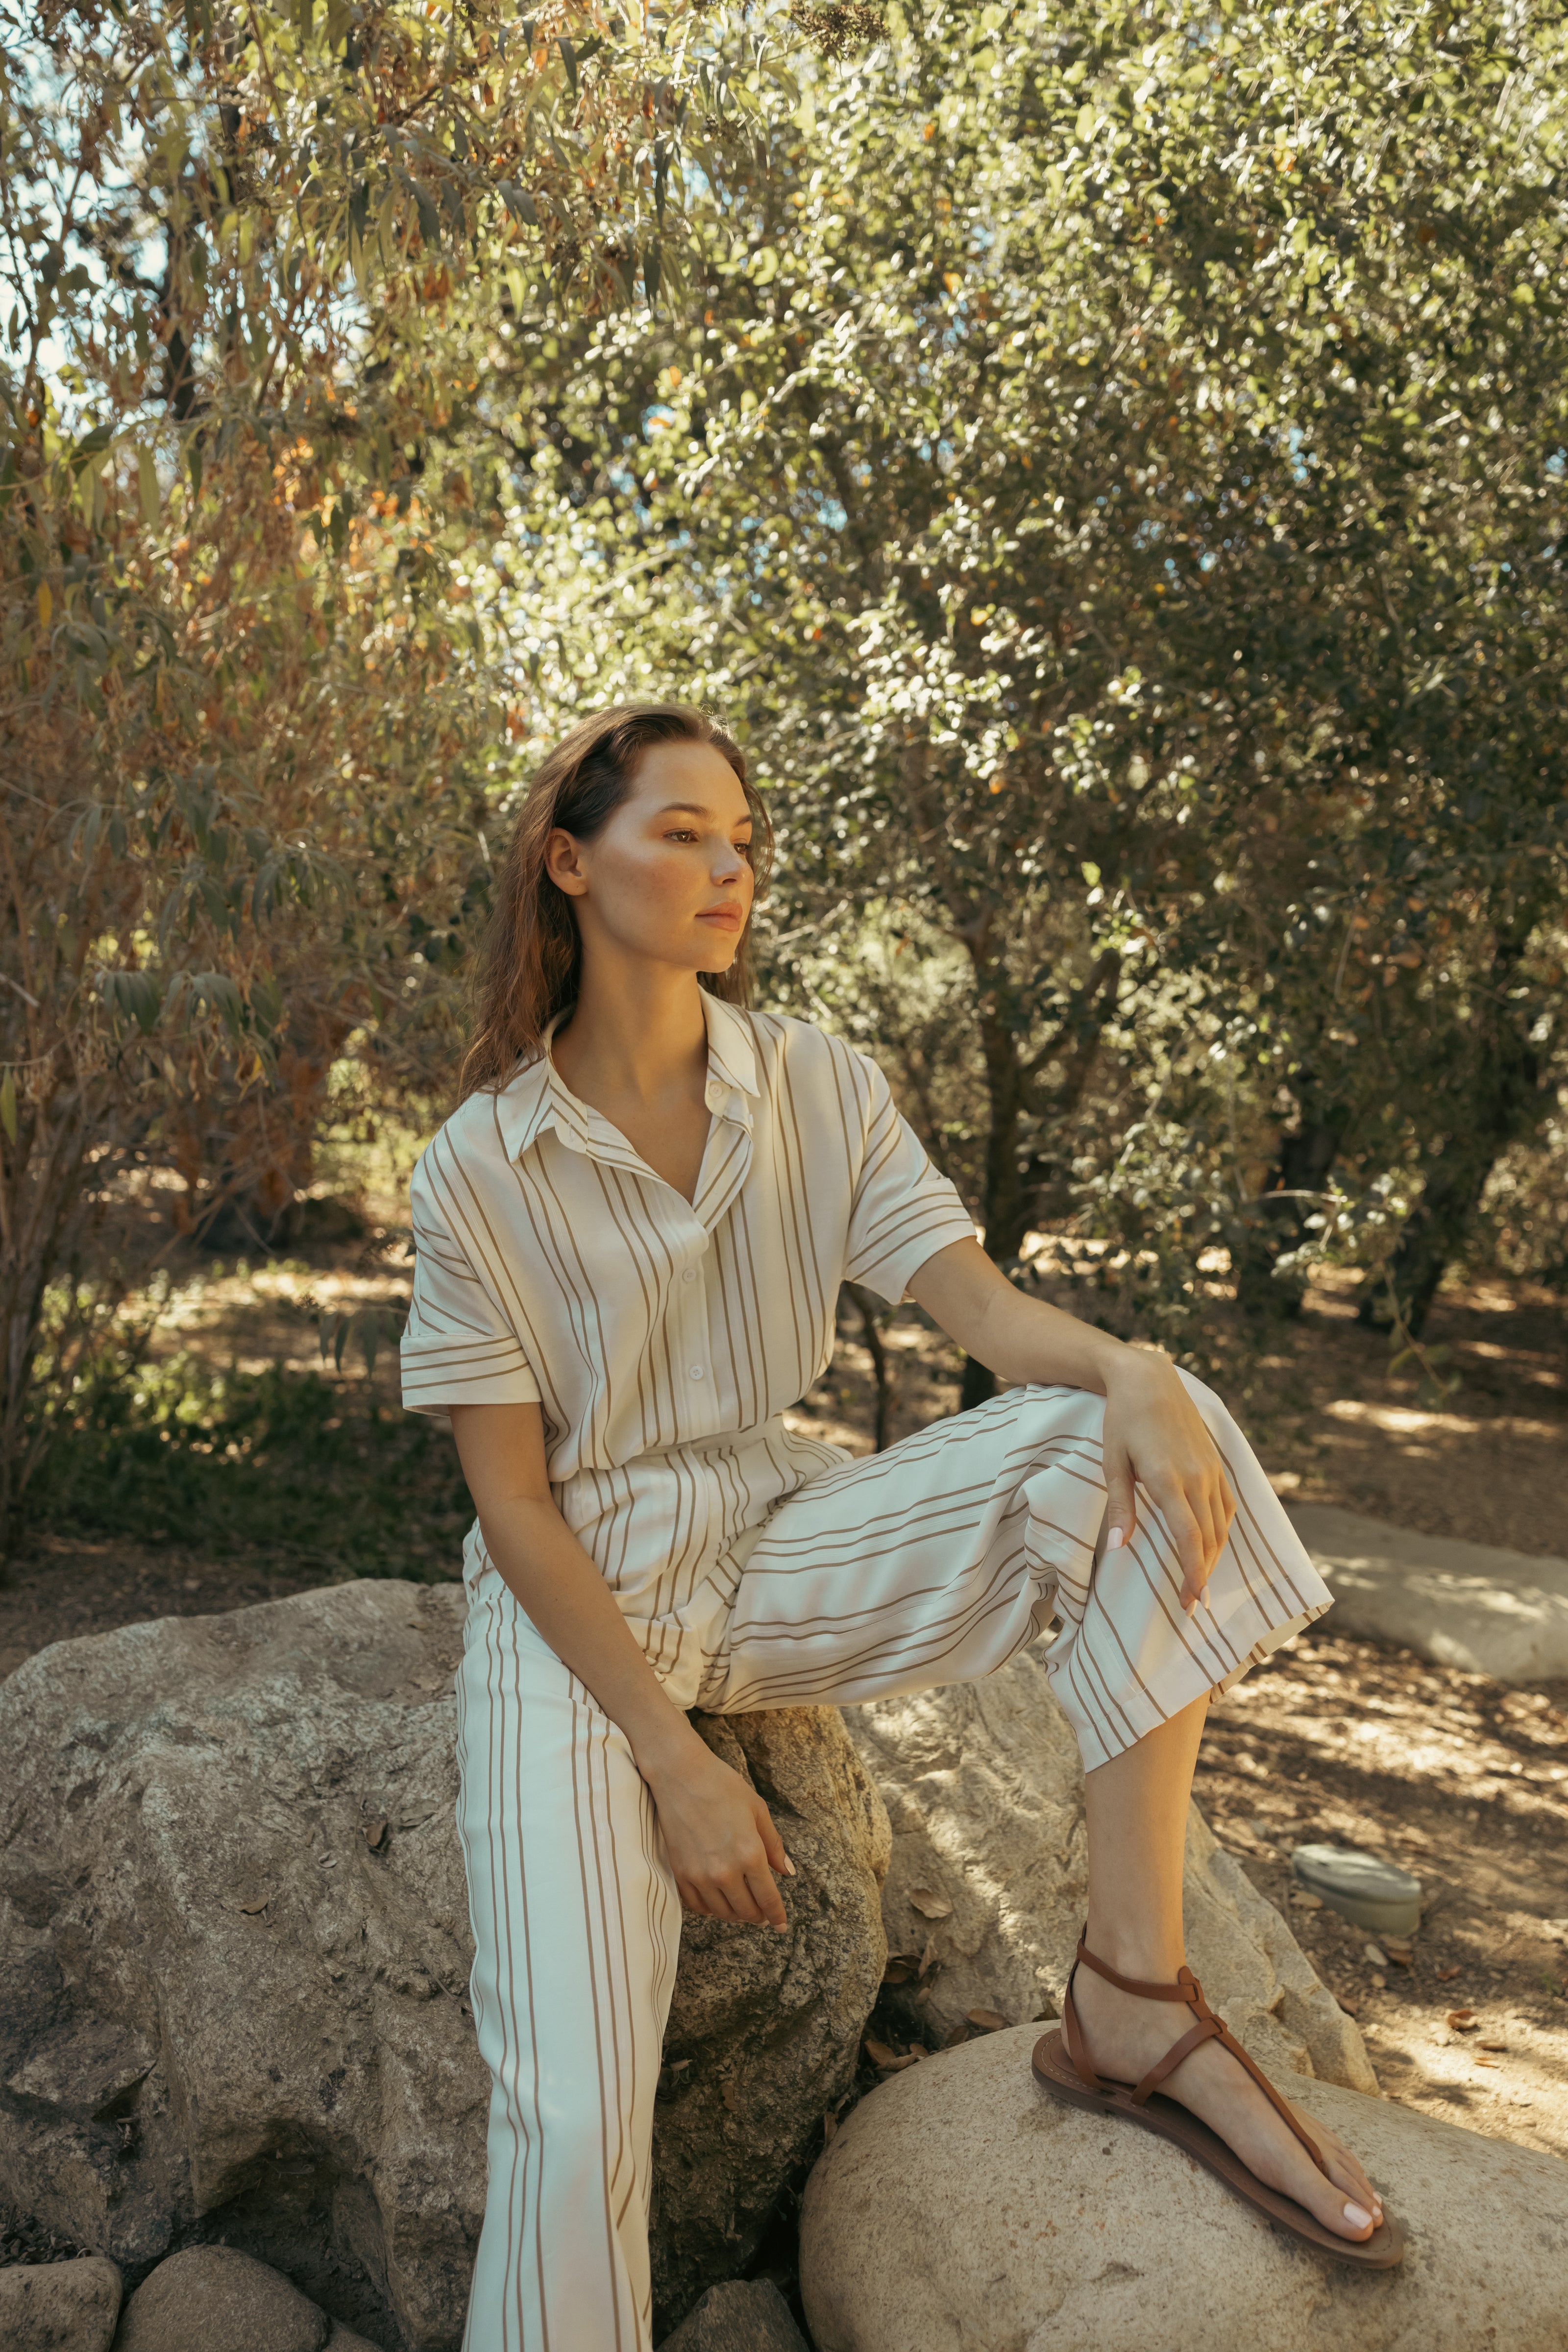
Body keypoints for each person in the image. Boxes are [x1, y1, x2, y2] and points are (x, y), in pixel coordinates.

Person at [399, 702, 1396, 2352]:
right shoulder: (480, 1168)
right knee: (571, 2121)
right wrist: (677, 1758)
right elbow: (511, 1502)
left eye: (744, 840)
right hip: (580, 1609)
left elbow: (985, 1317)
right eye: (682, 835)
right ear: (569, 865)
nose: (728, 868)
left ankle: (1133, 1997)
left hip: (780, 1535)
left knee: (1138, 1438)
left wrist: (1134, 1368)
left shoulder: (812, 1082)